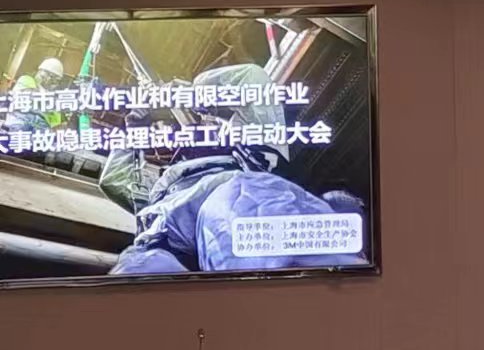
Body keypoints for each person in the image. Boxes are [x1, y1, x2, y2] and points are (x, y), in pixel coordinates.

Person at [107, 62, 366, 274]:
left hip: (252, 197)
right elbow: (113, 179)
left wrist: (192, 92)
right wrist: (135, 124)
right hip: (180, 231)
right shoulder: (162, 192)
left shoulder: (254, 155)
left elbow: (251, 79)